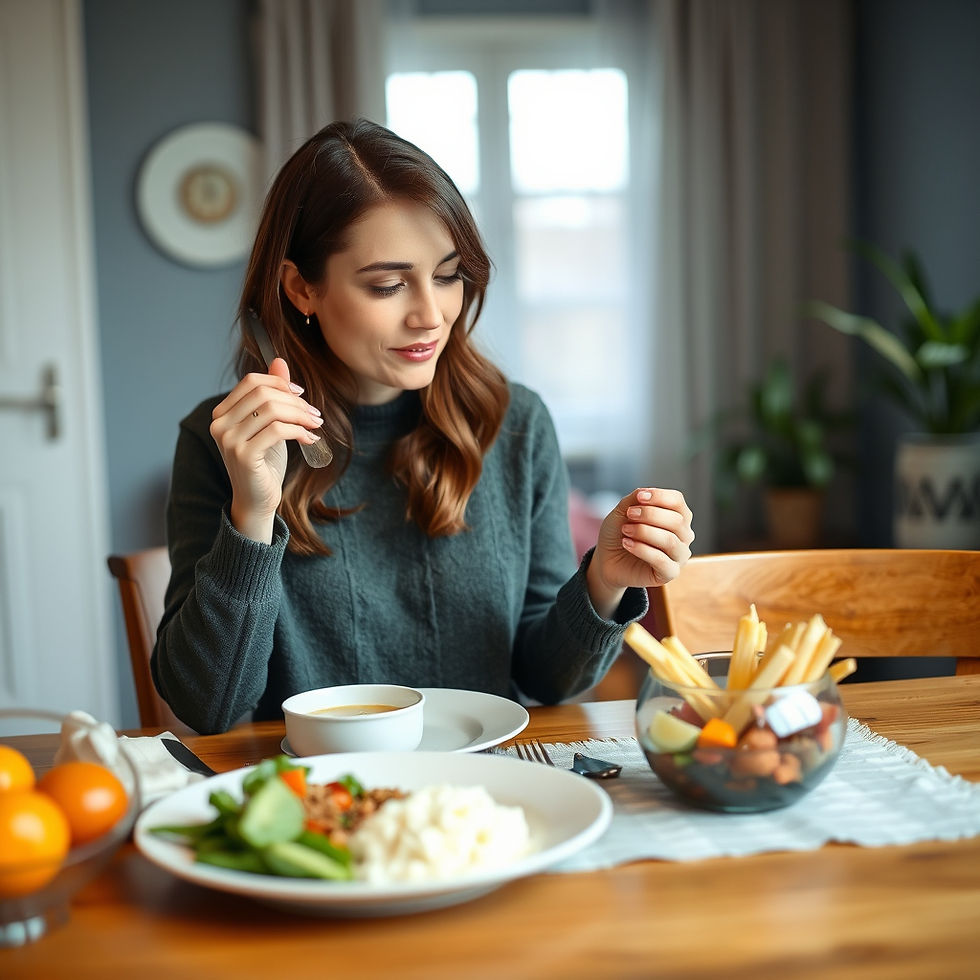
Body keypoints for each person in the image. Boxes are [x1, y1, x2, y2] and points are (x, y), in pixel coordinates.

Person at [151, 118, 694, 735]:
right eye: (387, 285)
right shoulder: (221, 442)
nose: (431, 315)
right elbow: (207, 706)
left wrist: (603, 581)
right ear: (302, 288)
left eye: (447, 274)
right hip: (323, 798)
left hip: (489, 796)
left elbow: (547, 681)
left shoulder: (517, 425)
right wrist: (251, 515)